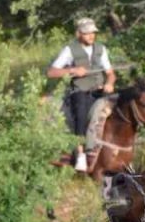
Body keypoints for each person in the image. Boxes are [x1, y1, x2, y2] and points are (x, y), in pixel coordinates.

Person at [46, 18, 116, 172]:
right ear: (79, 34)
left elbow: (110, 73)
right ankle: (81, 154)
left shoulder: (101, 49)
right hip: (80, 91)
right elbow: (51, 72)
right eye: (87, 33)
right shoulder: (70, 50)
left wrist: (109, 83)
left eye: (93, 33)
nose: (91, 36)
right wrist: (72, 71)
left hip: (99, 90)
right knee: (81, 114)